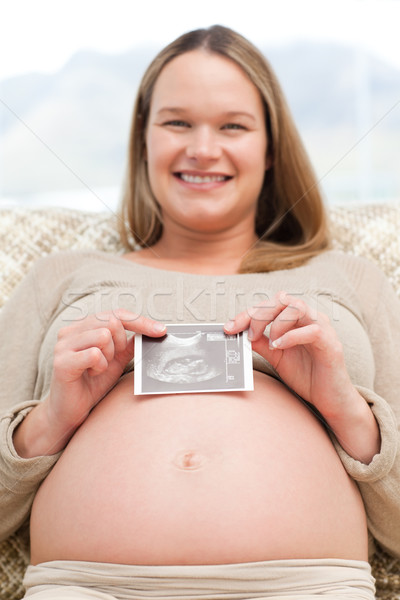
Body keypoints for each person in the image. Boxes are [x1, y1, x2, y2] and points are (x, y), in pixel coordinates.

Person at [0, 24, 399, 600]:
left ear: (270, 149)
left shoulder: (350, 278)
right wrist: (50, 422)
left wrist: (346, 410)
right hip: (88, 586)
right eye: (177, 122)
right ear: (143, 140)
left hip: (308, 587)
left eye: (233, 125)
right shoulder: (61, 277)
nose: (203, 148)